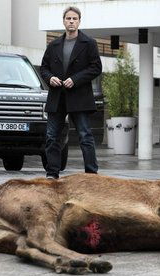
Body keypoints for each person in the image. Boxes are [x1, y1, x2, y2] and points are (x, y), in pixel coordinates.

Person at [40, 6, 102, 179]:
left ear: (79, 21)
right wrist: (50, 77)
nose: (71, 21)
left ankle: (91, 173)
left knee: (85, 136)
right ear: (64, 21)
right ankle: (52, 173)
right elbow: (44, 68)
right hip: (57, 96)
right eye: (68, 18)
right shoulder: (53, 45)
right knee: (52, 136)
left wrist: (75, 79)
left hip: (79, 97)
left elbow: (96, 68)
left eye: (74, 19)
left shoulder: (89, 43)